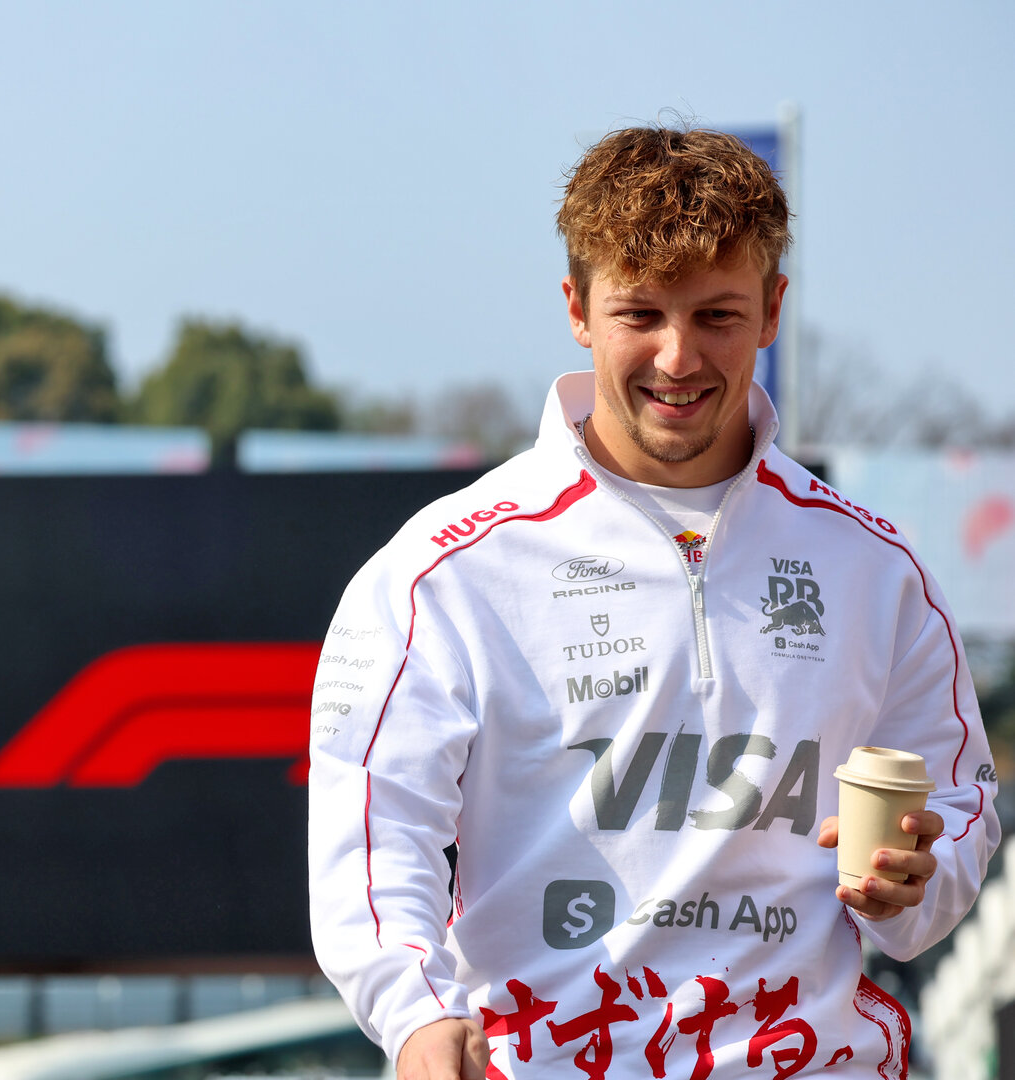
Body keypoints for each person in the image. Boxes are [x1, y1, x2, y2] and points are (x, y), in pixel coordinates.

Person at [308, 126, 1000, 1078]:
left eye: (717, 315)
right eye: (641, 314)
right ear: (577, 309)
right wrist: (419, 1018)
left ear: (772, 311)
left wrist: (914, 886)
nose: (678, 359)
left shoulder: (874, 568)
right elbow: (374, 841)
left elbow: (959, 811)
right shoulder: (444, 571)